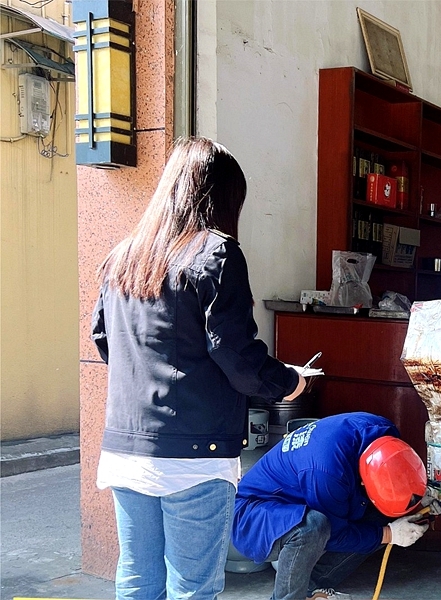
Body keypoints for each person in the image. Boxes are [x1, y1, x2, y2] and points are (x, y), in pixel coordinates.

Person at [90, 137, 308, 600]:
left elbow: (106, 341)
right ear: (225, 198)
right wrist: (289, 382)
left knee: (137, 580)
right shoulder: (216, 253)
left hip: (126, 449)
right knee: (193, 588)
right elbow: (235, 355)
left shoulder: (123, 256)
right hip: (194, 456)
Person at [231, 412, 430, 600]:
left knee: (379, 518)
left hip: (305, 495)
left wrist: (419, 497)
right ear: (363, 481)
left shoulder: (385, 434)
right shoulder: (328, 472)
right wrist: (389, 534)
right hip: (252, 516)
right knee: (312, 527)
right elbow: (336, 535)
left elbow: (397, 472)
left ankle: (310, 586)